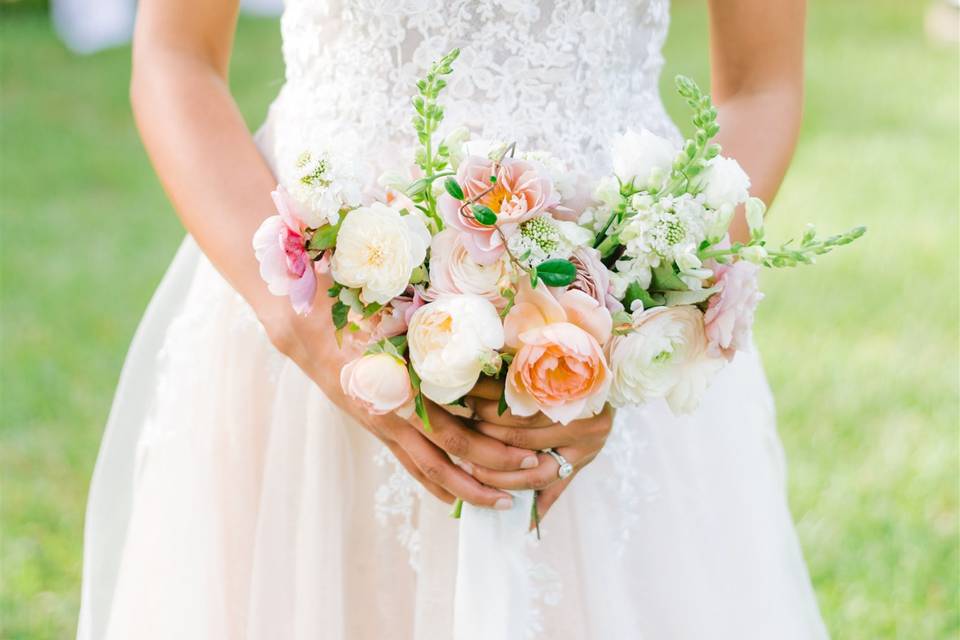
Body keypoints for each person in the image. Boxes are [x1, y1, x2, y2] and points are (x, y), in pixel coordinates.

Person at [77, 0, 827, 638]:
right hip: (320, 314)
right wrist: (311, 329)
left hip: (616, 341)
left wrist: (635, 320)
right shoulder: (310, 329)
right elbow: (176, 56)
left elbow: (762, 87)